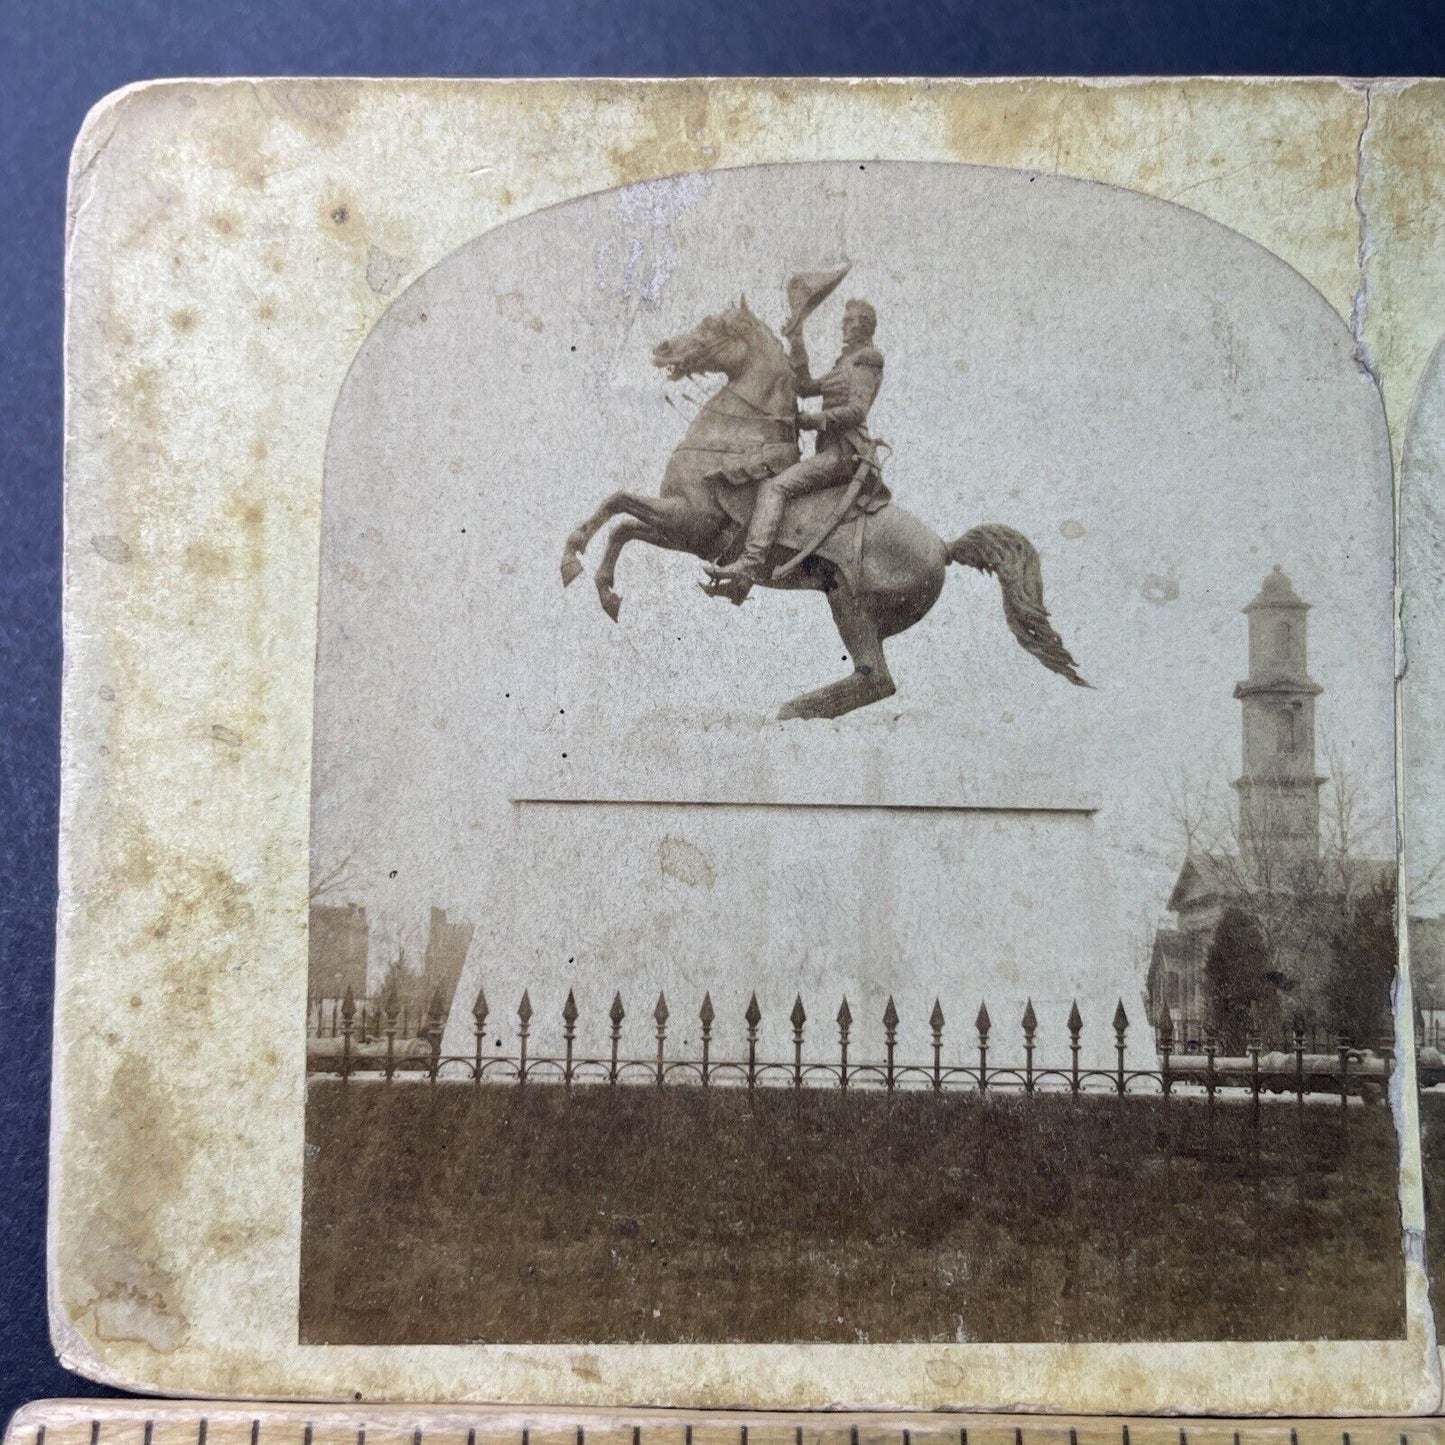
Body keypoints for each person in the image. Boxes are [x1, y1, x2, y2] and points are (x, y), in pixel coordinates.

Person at [704, 297, 884, 591]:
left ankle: (750, 563)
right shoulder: (847, 361)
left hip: (845, 452)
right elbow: (805, 386)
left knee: (775, 487)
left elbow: (856, 411)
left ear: (865, 326)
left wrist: (812, 420)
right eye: (845, 320)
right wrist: (796, 337)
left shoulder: (868, 359)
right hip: (830, 449)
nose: (844, 326)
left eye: (851, 321)